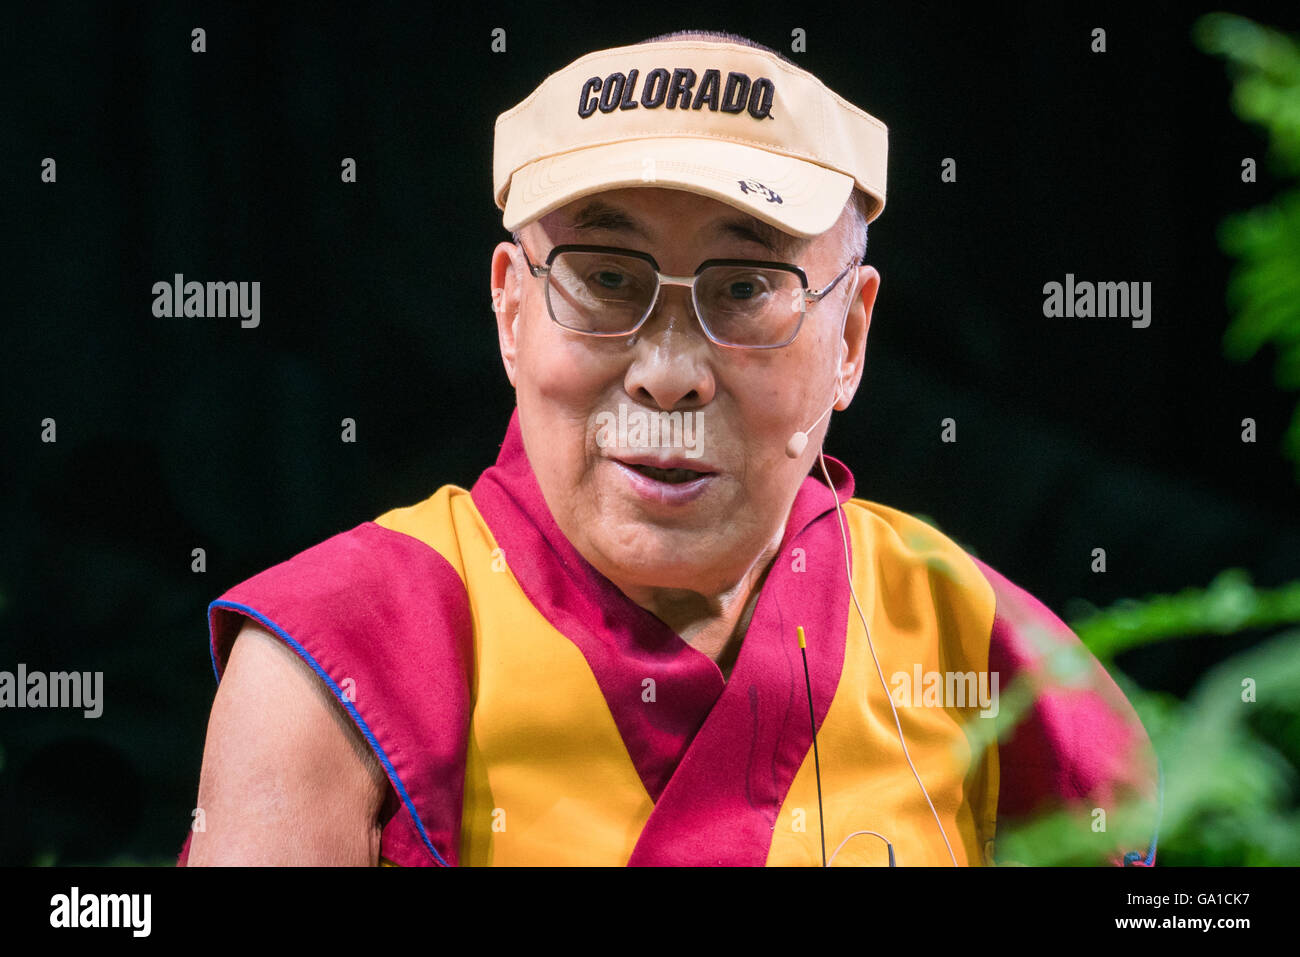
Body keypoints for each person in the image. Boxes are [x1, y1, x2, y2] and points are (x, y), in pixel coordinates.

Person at [179, 30, 1160, 867]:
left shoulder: (990, 654)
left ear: (851, 338)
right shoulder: (336, 658)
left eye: (743, 287)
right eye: (605, 278)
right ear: (511, 308)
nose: (669, 371)